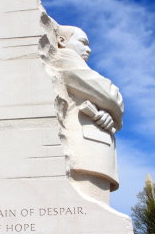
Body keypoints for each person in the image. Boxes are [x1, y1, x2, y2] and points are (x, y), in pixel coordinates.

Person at [45, 25, 124, 204]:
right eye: (83, 42)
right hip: (85, 150)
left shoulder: (74, 63)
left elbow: (108, 103)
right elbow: (111, 96)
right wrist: (112, 107)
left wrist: (108, 115)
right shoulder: (63, 58)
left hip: (93, 147)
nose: (89, 49)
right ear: (62, 41)